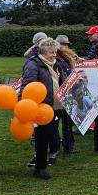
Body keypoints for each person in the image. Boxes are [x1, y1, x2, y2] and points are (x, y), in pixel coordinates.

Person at [22, 37, 62, 180]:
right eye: (52, 52)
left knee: (50, 135)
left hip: (55, 106)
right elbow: (27, 86)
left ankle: (42, 163)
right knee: (42, 137)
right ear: (44, 52)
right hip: (41, 109)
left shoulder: (55, 64)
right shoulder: (33, 65)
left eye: (55, 52)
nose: (54, 55)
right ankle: (40, 167)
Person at [54, 35, 80, 155]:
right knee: (62, 122)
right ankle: (65, 147)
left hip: (69, 91)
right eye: (63, 44)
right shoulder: (56, 60)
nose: (65, 47)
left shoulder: (67, 59)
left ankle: (69, 145)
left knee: (68, 121)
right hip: (60, 94)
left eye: (66, 45)